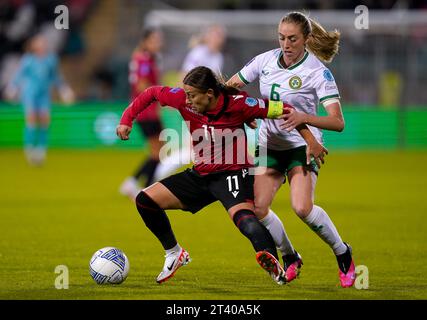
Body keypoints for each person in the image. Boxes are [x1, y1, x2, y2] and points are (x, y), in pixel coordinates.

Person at [116, 66, 326, 284]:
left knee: (246, 221)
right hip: (200, 175)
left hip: (233, 174)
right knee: (145, 201)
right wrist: (126, 120)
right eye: (186, 95)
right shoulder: (183, 99)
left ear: (209, 94)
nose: (187, 100)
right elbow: (151, 93)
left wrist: (310, 140)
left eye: (192, 96)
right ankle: (174, 253)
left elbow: (285, 109)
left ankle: (272, 261)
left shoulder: (240, 104)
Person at [227, 12, 356, 288]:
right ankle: (290, 256)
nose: (286, 44)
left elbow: (337, 122)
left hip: (303, 146)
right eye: (282, 37)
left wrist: (303, 118)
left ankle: (342, 252)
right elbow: (231, 86)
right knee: (258, 209)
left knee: (302, 208)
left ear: (306, 39)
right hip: (269, 145)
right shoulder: (264, 60)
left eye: (293, 39)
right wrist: (240, 109)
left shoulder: (317, 71)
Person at [152, 24, 228, 182]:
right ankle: (158, 175)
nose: (219, 40)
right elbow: (184, 75)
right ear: (208, 37)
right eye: (216, 35)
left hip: (207, 107)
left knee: (198, 148)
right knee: (195, 148)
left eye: (220, 37)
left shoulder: (218, 57)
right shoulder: (199, 52)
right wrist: (185, 100)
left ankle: (161, 175)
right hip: (195, 105)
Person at [5, 33, 74, 166]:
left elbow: (56, 76)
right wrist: (12, 88)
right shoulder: (28, 60)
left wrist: (64, 89)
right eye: (39, 42)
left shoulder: (51, 60)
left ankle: (41, 150)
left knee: (44, 120)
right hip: (30, 93)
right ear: (33, 45)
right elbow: (19, 75)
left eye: (43, 42)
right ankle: (29, 148)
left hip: (44, 94)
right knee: (31, 120)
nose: (42, 45)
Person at [119, 28, 165, 199]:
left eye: (159, 40)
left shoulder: (141, 58)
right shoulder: (144, 60)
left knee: (157, 151)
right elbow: (141, 85)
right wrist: (161, 97)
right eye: (154, 40)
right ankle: (144, 190)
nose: (158, 44)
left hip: (145, 111)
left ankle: (134, 184)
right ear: (145, 41)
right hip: (147, 111)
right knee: (158, 151)